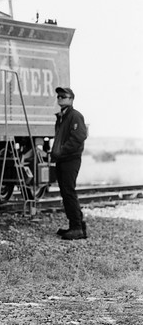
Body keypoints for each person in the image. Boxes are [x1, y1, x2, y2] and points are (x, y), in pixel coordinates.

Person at [51, 86, 89, 240]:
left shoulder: (75, 116)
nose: (60, 98)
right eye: (59, 96)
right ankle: (78, 225)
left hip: (70, 159)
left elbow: (79, 137)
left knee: (68, 192)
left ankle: (76, 228)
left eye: (64, 96)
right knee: (66, 192)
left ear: (71, 99)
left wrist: (61, 151)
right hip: (63, 159)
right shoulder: (62, 116)